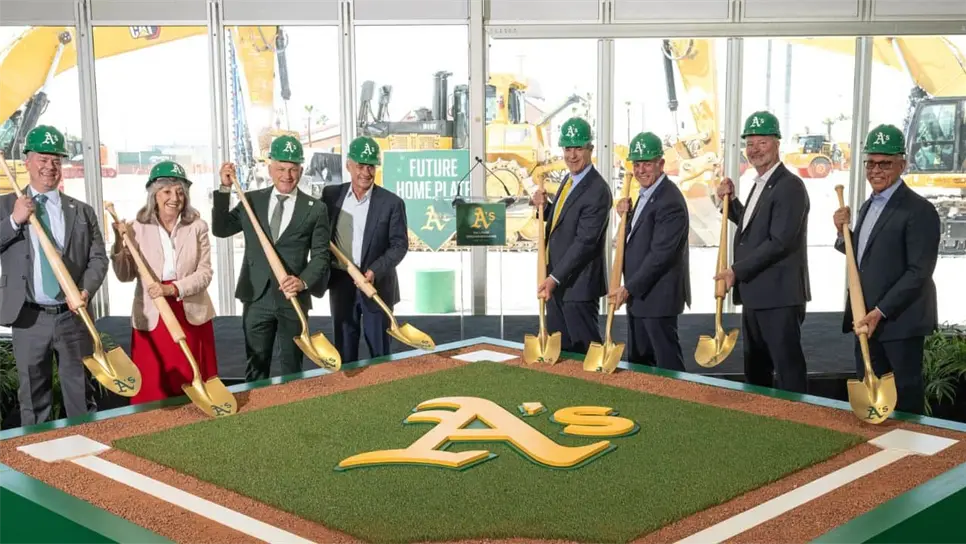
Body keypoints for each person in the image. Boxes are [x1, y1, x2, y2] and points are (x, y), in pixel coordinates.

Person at [0, 125, 107, 425]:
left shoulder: (82, 212)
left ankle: (86, 458)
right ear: (27, 162)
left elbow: (98, 258)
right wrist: (13, 221)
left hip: (72, 317)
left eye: (56, 160)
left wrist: (84, 291)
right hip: (29, 317)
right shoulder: (6, 206)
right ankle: (41, 463)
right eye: (43, 159)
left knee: (80, 395)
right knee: (34, 400)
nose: (50, 167)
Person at [832, 124, 940, 415]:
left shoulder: (919, 211)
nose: (876, 170)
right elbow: (864, 257)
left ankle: (913, 458)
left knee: (904, 398)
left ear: (901, 165)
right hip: (865, 319)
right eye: (871, 163)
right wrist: (843, 234)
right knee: (872, 400)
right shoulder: (869, 206)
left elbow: (919, 272)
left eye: (885, 163)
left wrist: (880, 311)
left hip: (898, 322)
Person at [212, 135, 331, 381]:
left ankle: (291, 413)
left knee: (292, 367)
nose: (286, 176)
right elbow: (221, 228)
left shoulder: (315, 209)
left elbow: (321, 256)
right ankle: (257, 415)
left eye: (292, 169)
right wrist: (225, 189)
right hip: (256, 297)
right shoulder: (252, 201)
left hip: (292, 299)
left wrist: (302, 281)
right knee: (256, 366)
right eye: (280, 169)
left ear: (301, 169)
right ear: (270, 168)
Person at [714, 111, 810, 394]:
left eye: (762, 142)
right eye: (750, 143)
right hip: (757, 293)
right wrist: (728, 203)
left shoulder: (790, 186)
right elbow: (754, 229)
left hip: (779, 296)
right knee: (756, 369)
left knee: (787, 367)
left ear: (777, 143)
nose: (754, 149)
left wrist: (735, 271)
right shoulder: (761, 183)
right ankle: (762, 421)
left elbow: (779, 241)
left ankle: (796, 422)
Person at [110, 161, 218, 405]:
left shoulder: (197, 226)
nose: (175, 198)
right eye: (167, 191)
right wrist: (119, 243)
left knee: (193, 382)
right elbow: (125, 275)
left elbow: (205, 273)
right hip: (153, 314)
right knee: (153, 389)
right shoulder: (136, 228)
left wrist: (172, 289)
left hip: (190, 313)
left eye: (180, 192)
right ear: (154, 195)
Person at [322, 136, 408, 363]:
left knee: (379, 351)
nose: (366, 173)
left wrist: (374, 271)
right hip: (342, 284)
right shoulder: (330, 196)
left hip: (376, 286)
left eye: (371, 166)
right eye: (360, 166)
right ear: (348, 165)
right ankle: (347, 392)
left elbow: (399, 245)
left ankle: (383, 393)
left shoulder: (391, 203)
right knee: (345, 347)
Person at [609, 132, 690, 371]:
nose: (641, 170)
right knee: (641, 363)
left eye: (647, 163)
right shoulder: (647, 195)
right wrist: (626, 216)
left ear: (661, 164)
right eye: (637, 164)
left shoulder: (670, 200)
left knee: (667, 364)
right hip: (641, 296)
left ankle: (679, 404)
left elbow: (660, 255)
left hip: (658, 297)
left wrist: (629, 288)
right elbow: (640, 238)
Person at [531, 117, 612, 355]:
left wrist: (553, 278)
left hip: (578, 287)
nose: (572, 155)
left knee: (587, 354)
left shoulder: (597, 190)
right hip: (557, 285)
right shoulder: (570, 180)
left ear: (590, 150)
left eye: (578, 148)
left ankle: (599, 393)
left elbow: (585, 242)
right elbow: (562, 221)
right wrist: (543, 207)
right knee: (563, 354)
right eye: (568, 148)